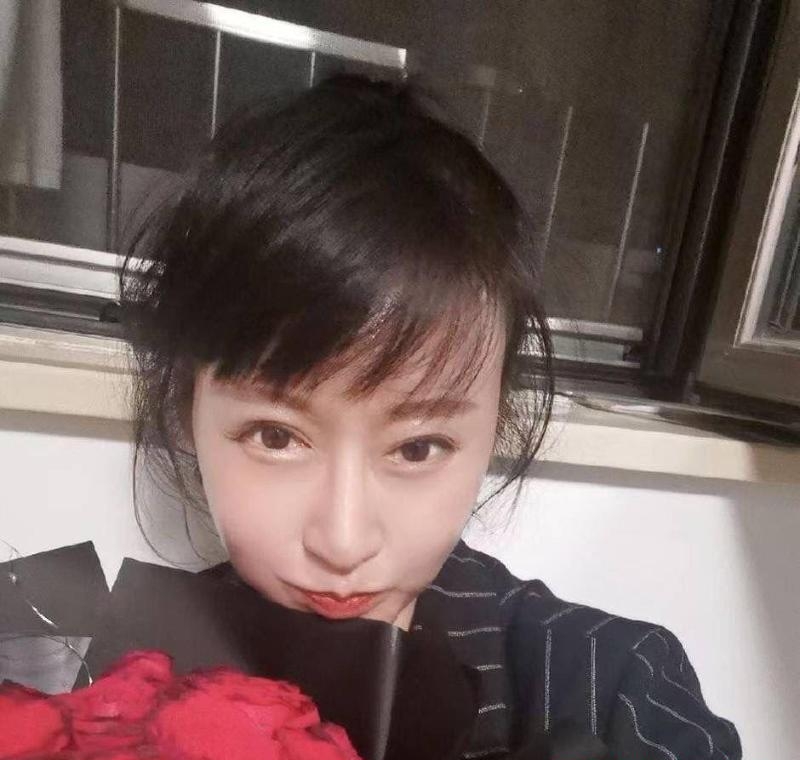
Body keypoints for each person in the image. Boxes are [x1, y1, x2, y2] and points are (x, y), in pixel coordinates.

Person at [117, 74, 742, 760]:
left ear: (495, 425)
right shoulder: (124, 686)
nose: (343, 543)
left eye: (417, 448)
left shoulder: (615, 688)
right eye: (276, 436)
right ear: (186, 411)